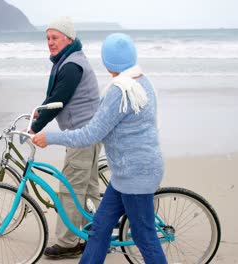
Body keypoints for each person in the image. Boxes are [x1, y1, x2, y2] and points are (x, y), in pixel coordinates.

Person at [32, 33, 168, 263]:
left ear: (107, 62)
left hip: (135, 176)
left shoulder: (119, 91)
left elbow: (90, 135)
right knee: (100, 228)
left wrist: (51, 138)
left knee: (145, 237)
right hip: (127, 174)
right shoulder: (141, 81)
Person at [29, 16, 102, 259]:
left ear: (68, 39)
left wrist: (36, 126)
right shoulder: (70, 60)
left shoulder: (71, 65)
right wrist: (39, 111)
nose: (50, 42)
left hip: (82, 135)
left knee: (71, 187)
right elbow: (55, 99)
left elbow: (58, 100)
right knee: (87, 186)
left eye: (55, 37)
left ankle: (69, 242)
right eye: (48, 38)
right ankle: (98, 232)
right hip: (88, 133)